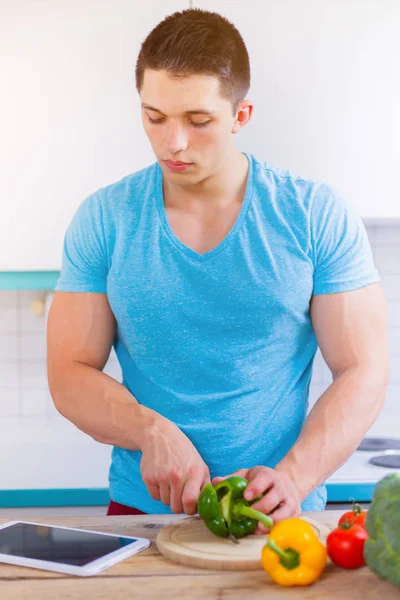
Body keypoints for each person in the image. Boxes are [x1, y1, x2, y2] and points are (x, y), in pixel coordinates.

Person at [47, 8, 389, 532]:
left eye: (198, 121)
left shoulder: (313, 213)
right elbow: (69, 371)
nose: (173, 142)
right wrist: (150, 431)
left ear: (241, 115)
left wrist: (294, 478)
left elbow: (364, 369)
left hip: (283, 512)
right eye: (154, 117)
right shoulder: (105, 219)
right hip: (143, 514)